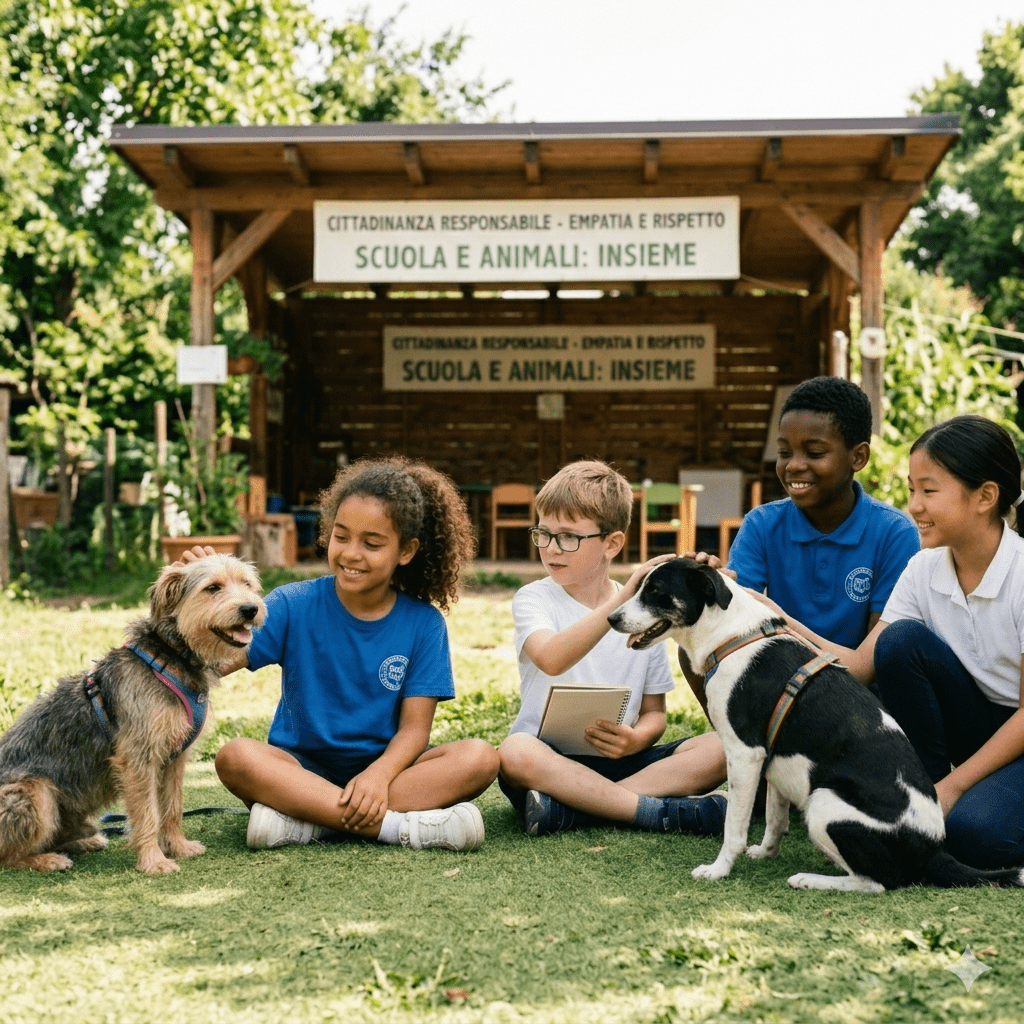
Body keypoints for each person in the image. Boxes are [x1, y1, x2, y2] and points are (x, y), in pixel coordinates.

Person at [764, 414, 1024, 870]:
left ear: (985, 497)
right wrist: (778, 618)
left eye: (929, 491)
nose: (914, 506)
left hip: (1018, 730)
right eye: (911, 490)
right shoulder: (923, 568)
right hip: (976, 721)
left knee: (974, 838)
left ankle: (947, 801)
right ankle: (916, 796)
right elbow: (858, 667)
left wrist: (954, 787)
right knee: (900, 642)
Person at [210, 457, 500, 852]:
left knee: (480, 758)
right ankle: (396, 828)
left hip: (389, 775)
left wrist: (378, 776)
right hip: (299, 772)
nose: (350, 553)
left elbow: (415, 731)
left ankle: (311, 823)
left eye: (372, 543)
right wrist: (199, 593)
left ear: (406, 551)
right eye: (341, 536)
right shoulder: (292, 603)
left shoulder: (424, 624)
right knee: (235, 757)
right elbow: (214, 662)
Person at [498, 460, 728, 837]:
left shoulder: (647, 614)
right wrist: (625, 599)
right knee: (514, 751)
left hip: (621, 763)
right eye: (544, 533)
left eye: (568, 537)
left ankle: (577, 811)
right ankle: (652, 812)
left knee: (722, 748)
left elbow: (654, 714)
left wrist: (636, 739)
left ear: (612, 544)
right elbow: (551, 659)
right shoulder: (533, 598)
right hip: (547, 764)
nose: (552, 548)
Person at [727, 376, 919, 649]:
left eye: (814, 453)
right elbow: (732, 631)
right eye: (784, 452)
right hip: (780, 672)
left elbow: (880, 654)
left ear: (858, 457)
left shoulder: (894, 533)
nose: (793, 465)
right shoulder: (761, 525)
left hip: (858, 675)